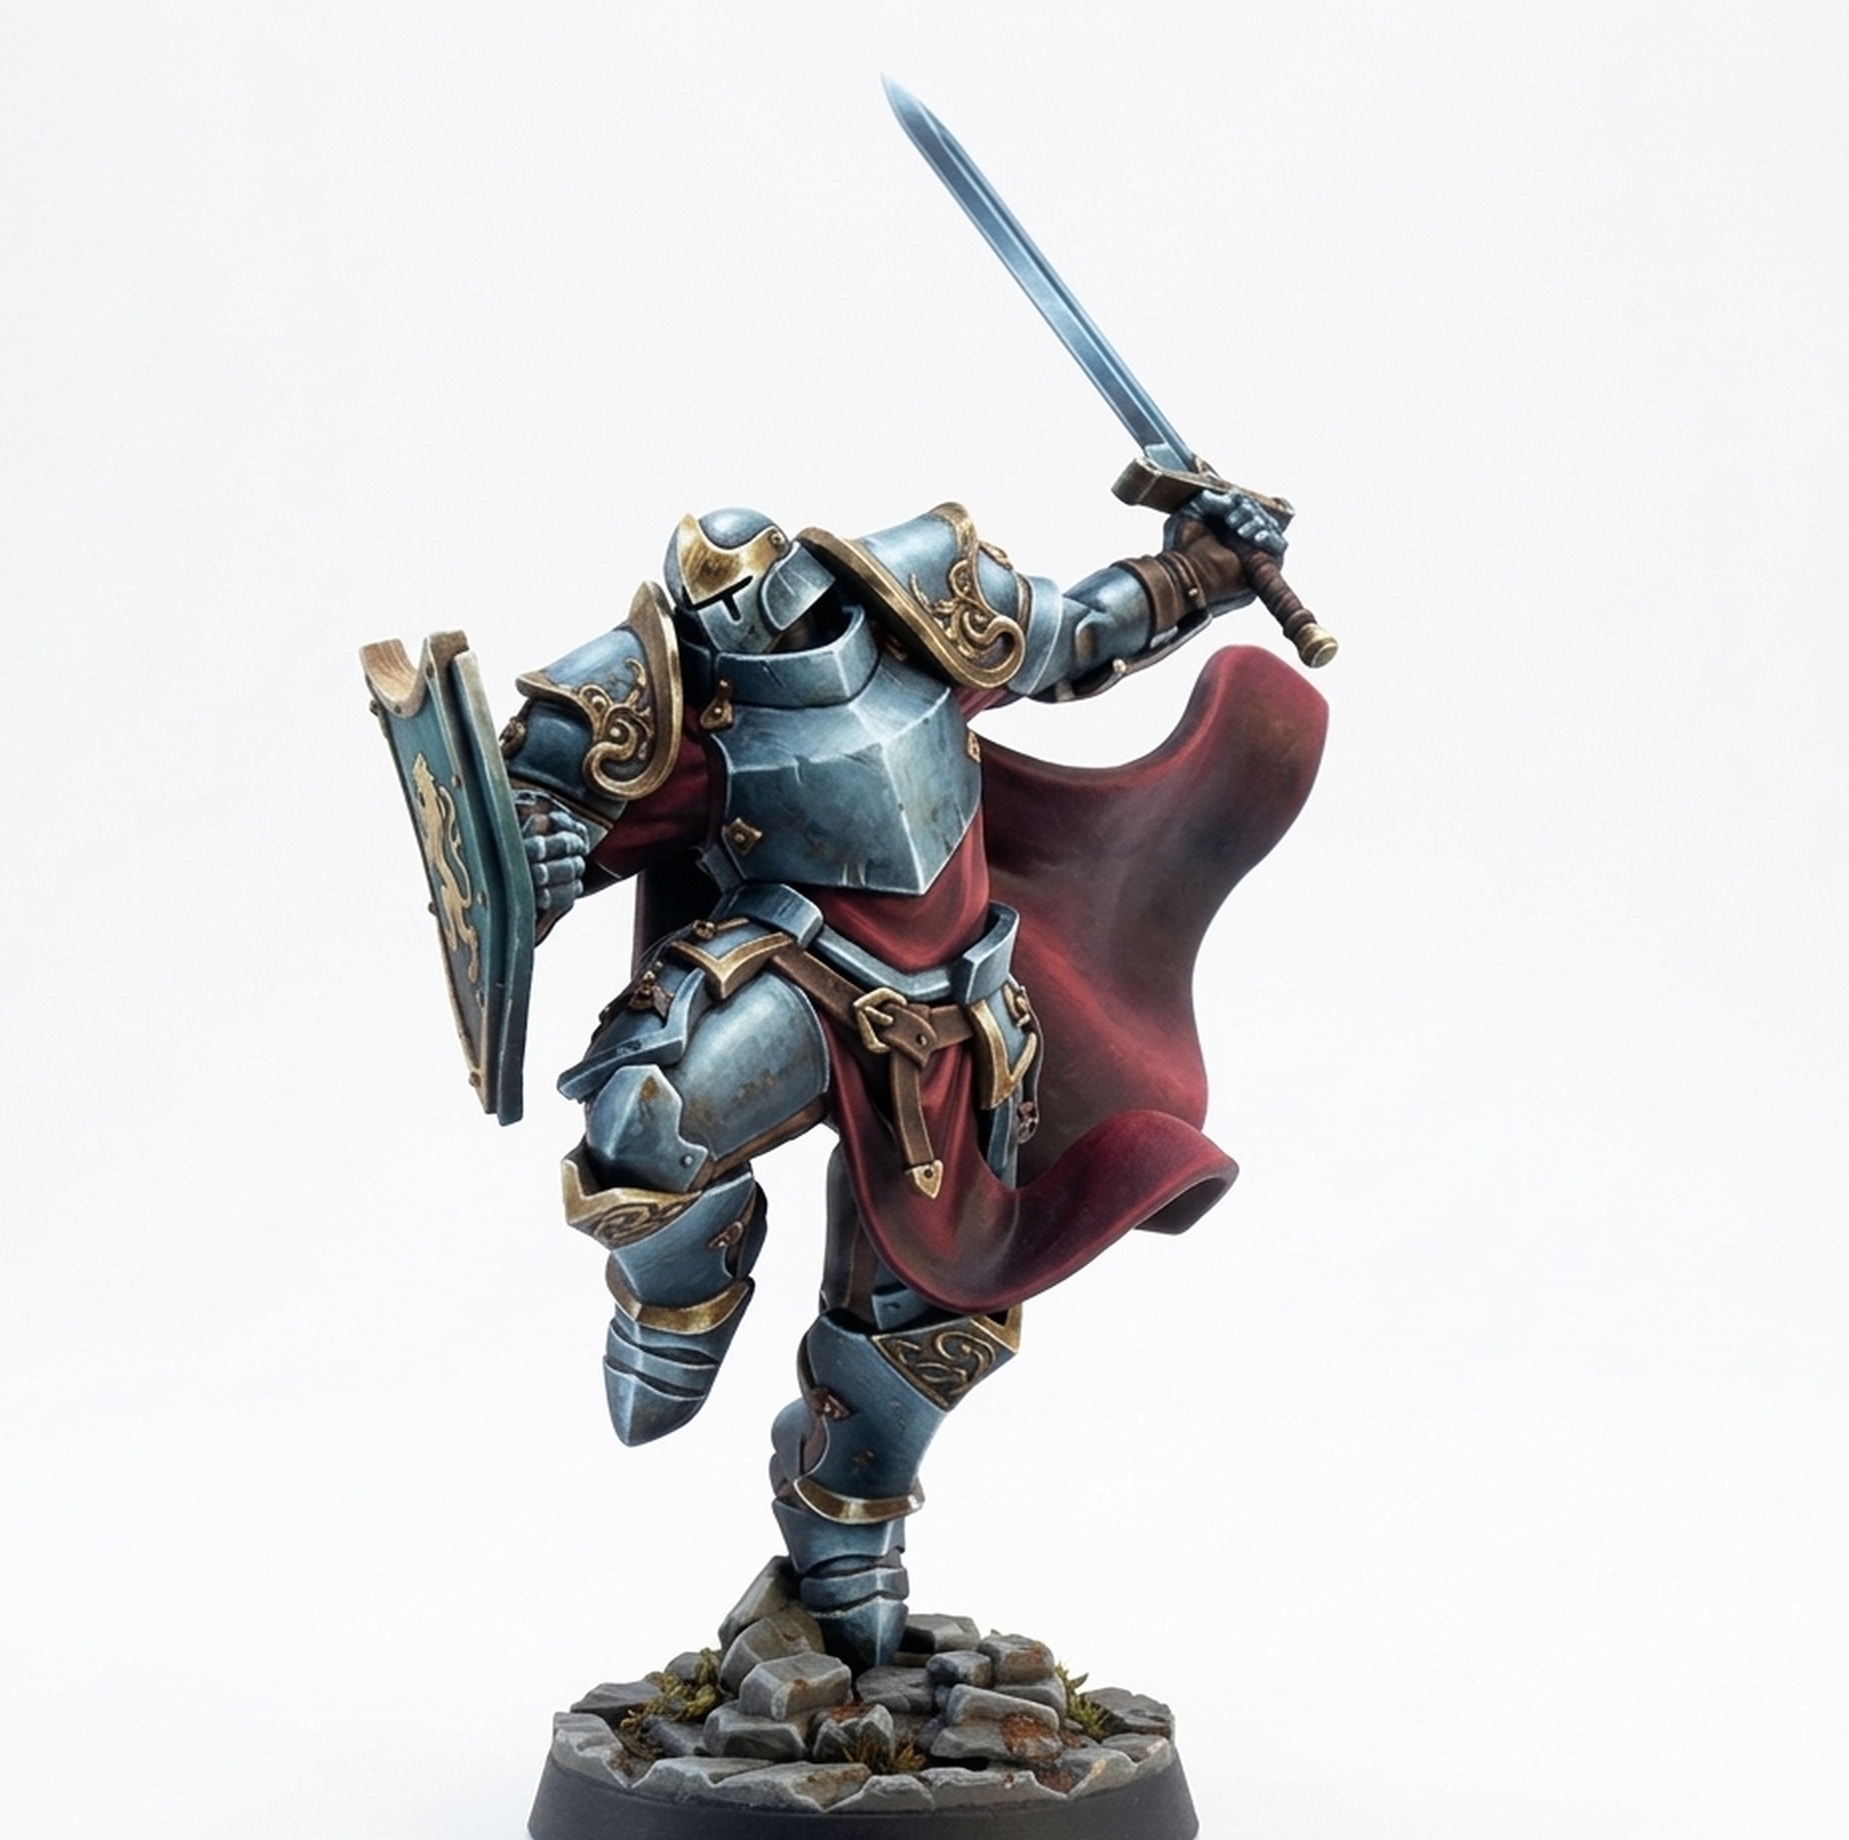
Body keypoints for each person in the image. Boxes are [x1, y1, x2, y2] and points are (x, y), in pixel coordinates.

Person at [502, 499, 1327, 1669]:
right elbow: (548, 810)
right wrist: (533, 846)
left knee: (924, 1316)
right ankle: (677, 1301)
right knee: (640, 1112)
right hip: (793, 973)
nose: (753, 629)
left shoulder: (930, 612)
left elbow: (1082, 629)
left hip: (956, 1024)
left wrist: (1198, 568)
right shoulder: (673, 696)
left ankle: (844, 1546)